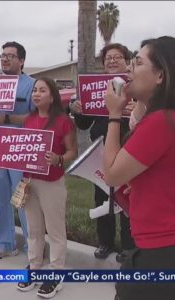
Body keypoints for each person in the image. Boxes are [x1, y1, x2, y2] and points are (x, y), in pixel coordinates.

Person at [104, 36, 175, 300]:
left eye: (138, 63)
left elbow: (111, 173)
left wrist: (113, 114)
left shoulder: (161, 122)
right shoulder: (162, 118)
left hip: (160, 250)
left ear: (160, 75)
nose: (128, 70)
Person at [70, 43, 135, 262]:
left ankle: (129, 246)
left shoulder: (134, 86)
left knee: (129, 200)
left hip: (129, 152)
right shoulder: (94, 87)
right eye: (108, 58)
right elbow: (84, 123)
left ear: (127, 61)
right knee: (102, 199)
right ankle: (105, 242)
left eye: (118, 57)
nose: (113, 61)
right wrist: (77, 110)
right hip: (100, 153)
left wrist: (136, 108)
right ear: (103, 63)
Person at [15, 78, 77, 298]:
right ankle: (34, 267)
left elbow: (72, 152)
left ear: (52, 96)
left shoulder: (63, 122)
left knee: (55, 229)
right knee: (34, 229)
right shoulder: (28, 119)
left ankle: (57, 273)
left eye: (42, 90)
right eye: (35, 90)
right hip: (30, 182)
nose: (37, 94)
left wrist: (59, 158)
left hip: (52, 183)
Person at [0, 41, 35, 261]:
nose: (5, 59)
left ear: (21, 61)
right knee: (0, 198)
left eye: (11, 56)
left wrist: (7, 118)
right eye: (3, 55)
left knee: (23, 199)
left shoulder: (31, 85)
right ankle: (6, 243)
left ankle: (33, 246)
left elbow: (36, 117)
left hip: (20, 150)